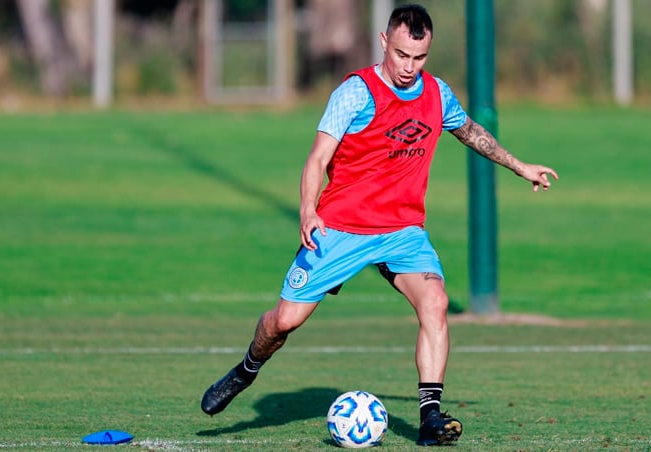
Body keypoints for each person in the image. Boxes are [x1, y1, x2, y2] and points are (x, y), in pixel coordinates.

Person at [201, 3, 558, 447]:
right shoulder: (355, 92)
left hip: (401, 232)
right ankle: (246, 370)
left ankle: (429, 418)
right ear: (384, 42)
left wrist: (519, 165)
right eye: (402, 54)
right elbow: (317, 158)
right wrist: (308, 210)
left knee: (436, 303)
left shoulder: (436, 94)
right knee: (284, 322)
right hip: (340, 228)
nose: (409, 67)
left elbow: (469, 130)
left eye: (420, 57)